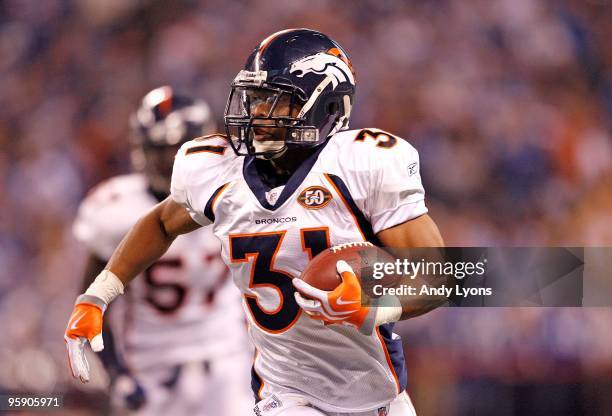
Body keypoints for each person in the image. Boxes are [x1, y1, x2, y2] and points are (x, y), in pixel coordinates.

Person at [65, 30, 444, 415]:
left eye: (276, 103)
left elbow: (440, 275)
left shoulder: (364, 164)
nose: (257, 115)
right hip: (288, 395)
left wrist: (375, 305)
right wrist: (98, 295)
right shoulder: (219, 171)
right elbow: (161, 224)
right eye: (255, 100)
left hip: (381, 397)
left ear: (326, 107)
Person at [70, 86, 253, 415]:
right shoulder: (115, 209)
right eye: (159, 149)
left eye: (177, 150)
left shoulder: (236, 195)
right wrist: (116, 374)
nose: (169, 161)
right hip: (152, 368)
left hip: (227, 361)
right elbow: (93, 303)